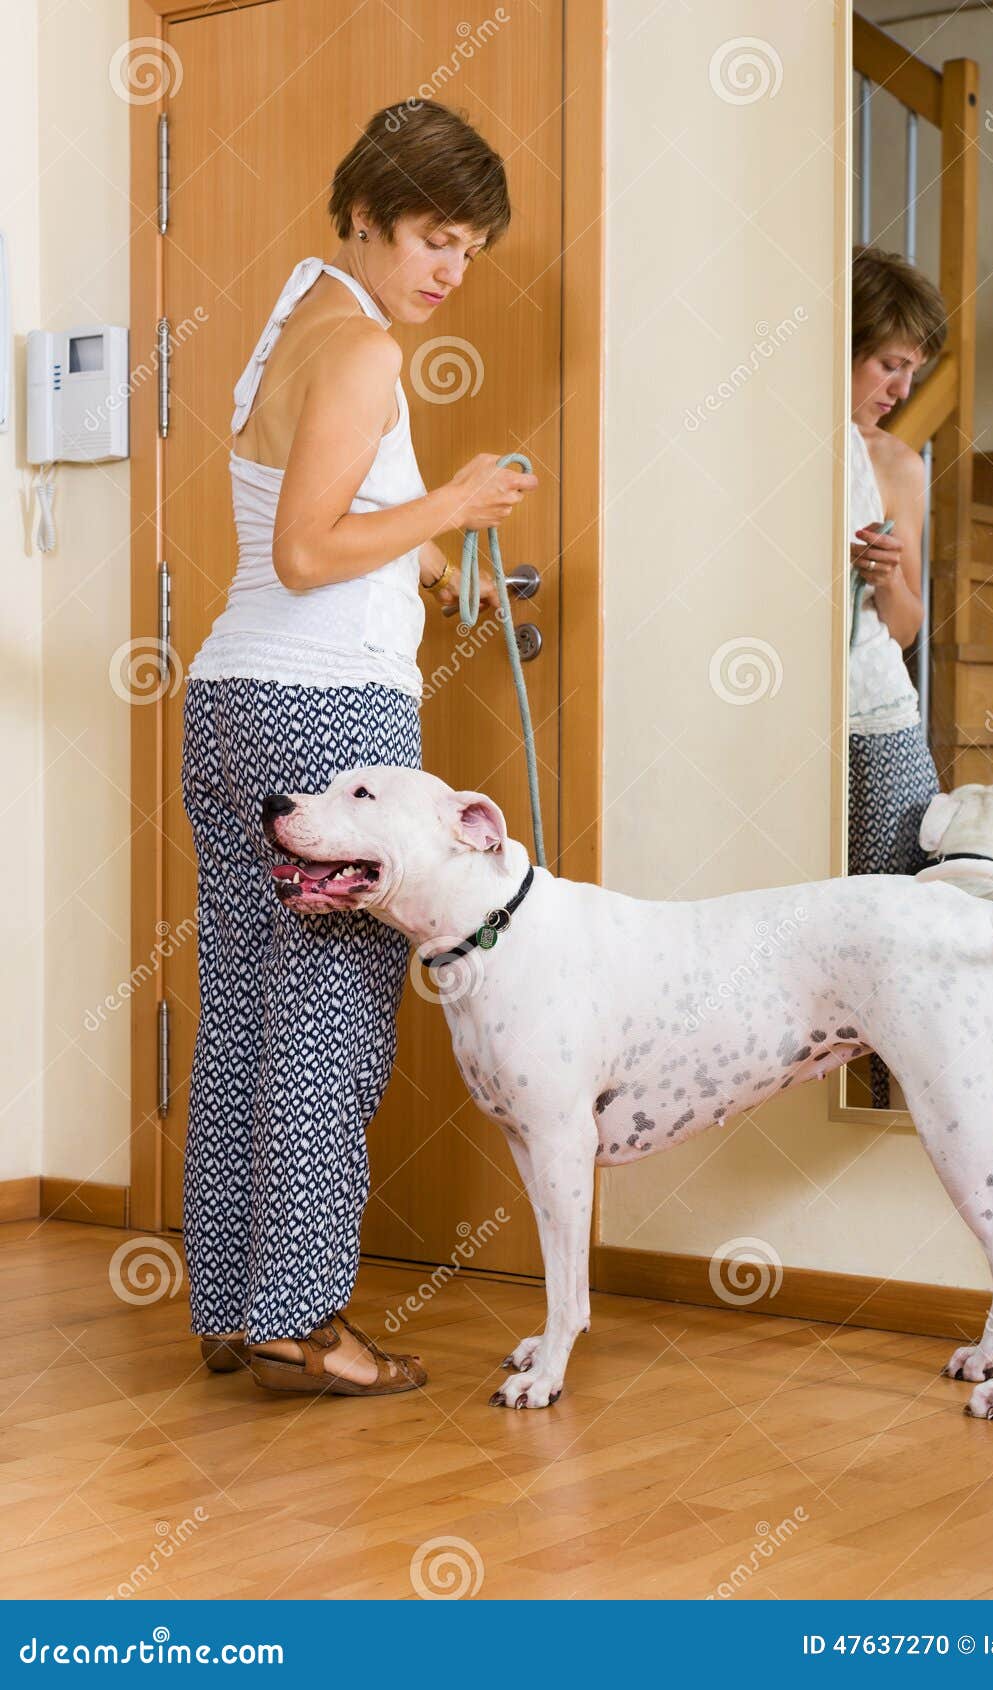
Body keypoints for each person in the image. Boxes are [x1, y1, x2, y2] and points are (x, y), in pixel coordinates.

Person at [181, 99, 537, 1396]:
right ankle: (302, 1319)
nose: (449, 269)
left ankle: (234, 1303)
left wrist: (441, 564)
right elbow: (307, 551)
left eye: (470, 249)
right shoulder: (366, 352)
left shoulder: (295, 321)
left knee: (247, 1020)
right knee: (328, 1024)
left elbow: (323, 507)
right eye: (433, 238)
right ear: (368, 217)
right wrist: (456, 500)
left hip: (232, 704)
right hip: (328, 718)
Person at [848, 245, 946, 1106]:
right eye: (890, 363)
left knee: (902, 940)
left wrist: (885, 579)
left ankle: (893, 1118)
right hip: (789, 725)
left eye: (913, 371)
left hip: (881, 725)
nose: (902, 389)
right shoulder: (782, 451)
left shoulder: (898, 465)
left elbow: (909, 627)